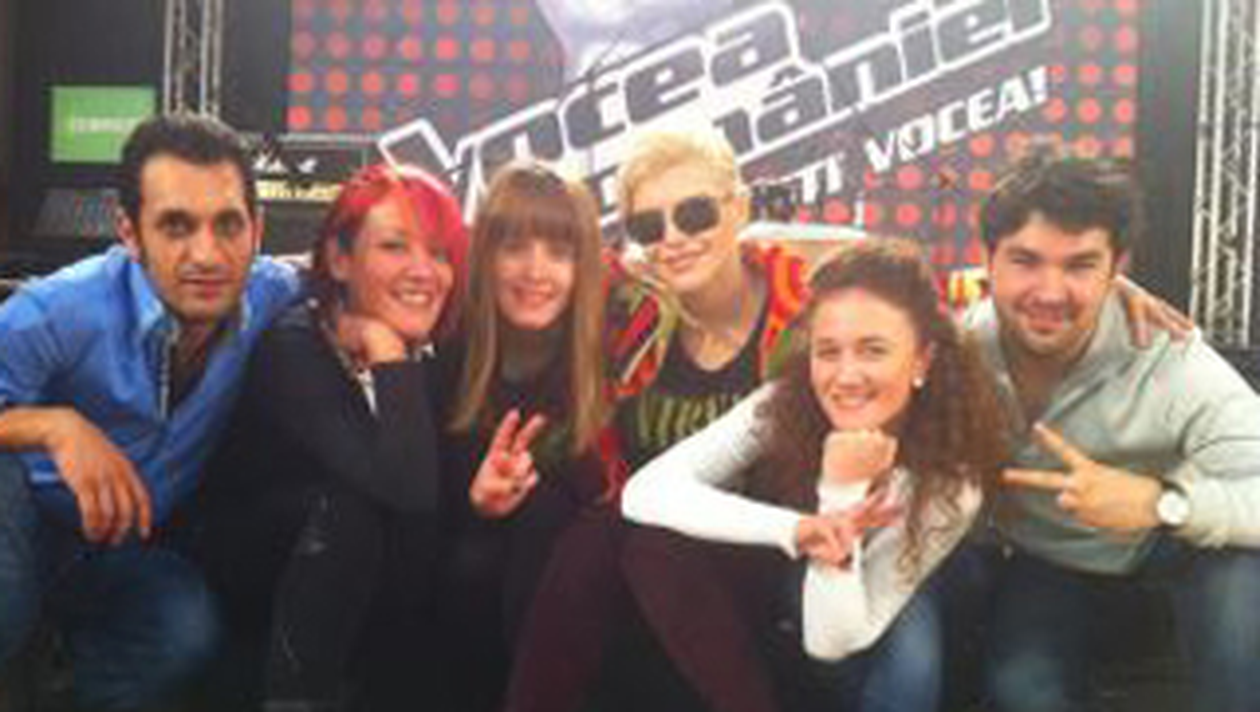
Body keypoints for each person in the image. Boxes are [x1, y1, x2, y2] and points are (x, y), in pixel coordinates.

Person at [619, 238, 1007, 712]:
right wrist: (802, 528)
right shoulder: (785, 402)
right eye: (828, 352)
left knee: (912, 657)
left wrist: (841, 492)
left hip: (907, 581)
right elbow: (644, 492)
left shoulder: (952, 477)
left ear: (921, 361)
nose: (845, 376)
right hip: (793, 588)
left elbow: (831, 640)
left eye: (873, 350)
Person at [0, 113, 300, 710]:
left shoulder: (272, 291)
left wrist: (369, 323)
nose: (206, 254)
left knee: (184, 629)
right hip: (22, 529)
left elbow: (352, 267)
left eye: (228, 224)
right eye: (176, 226)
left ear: (257, 229)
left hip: (122, 552)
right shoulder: (59, 309)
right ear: (129, 232)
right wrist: (55, 427)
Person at [972, 148, 1260, 712]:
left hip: (1177, 548)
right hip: (1050, 562)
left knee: (1242, 601)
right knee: (1021, 692)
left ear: (1115, 269)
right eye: (1026, 261)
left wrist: (1162, 503)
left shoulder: (1170, 358)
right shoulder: (958, 352)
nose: (1049, 292)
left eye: (1080, 265)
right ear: (988, 260)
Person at [200, 162, 468, 711]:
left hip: (357, 593)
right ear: (340, 260)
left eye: (440, 253)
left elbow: (424, 508)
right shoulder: (293, 346)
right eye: (394, 246)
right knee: (356, 508)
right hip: (253, 583)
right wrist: (388, 355)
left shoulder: (436, 353)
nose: (424, 271)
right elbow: (407, 490)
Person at [437, 160, 613, 708]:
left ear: (583, 266)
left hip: (578, 578)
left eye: (559, 253)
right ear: (485, 257)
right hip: (472, 597)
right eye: (515, 248)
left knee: (545, 515)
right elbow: (422, 509)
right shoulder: (447, 350)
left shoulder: (615, 352)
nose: (536, 271)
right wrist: (479, 505)